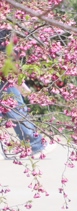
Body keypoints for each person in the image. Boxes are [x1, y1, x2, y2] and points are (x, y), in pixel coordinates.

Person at [0, 27, 45, 155]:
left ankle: (34, 144)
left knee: (15, 108)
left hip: (6, 76)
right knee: (16, 109)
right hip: (5, 79)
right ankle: (34, 145)